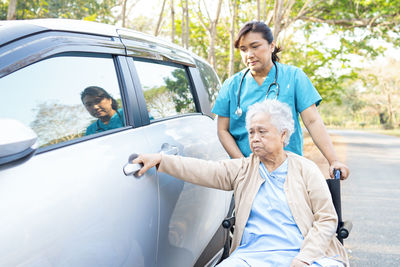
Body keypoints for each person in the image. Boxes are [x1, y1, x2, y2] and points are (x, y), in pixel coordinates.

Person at [131, 100, 349, 267]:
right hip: (253, 255)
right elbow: (205, 170)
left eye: (262, 132)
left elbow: (327, 219)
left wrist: (304, 258)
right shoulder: (244, 168)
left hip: (304, 253)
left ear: (283, 135)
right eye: (251, 132)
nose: (254, 138)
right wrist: (162, 160)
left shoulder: (305, 169)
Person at [211, 21, 349, 179]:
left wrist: (333, 160)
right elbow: (222, 130)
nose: (249, 54)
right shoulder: (231, 85)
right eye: (243, 49)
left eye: (255, 46)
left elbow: (313, 121)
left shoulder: (294, 77)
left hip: (288, 171)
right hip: (246, 174)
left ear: (271, 46)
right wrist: (244, 165)